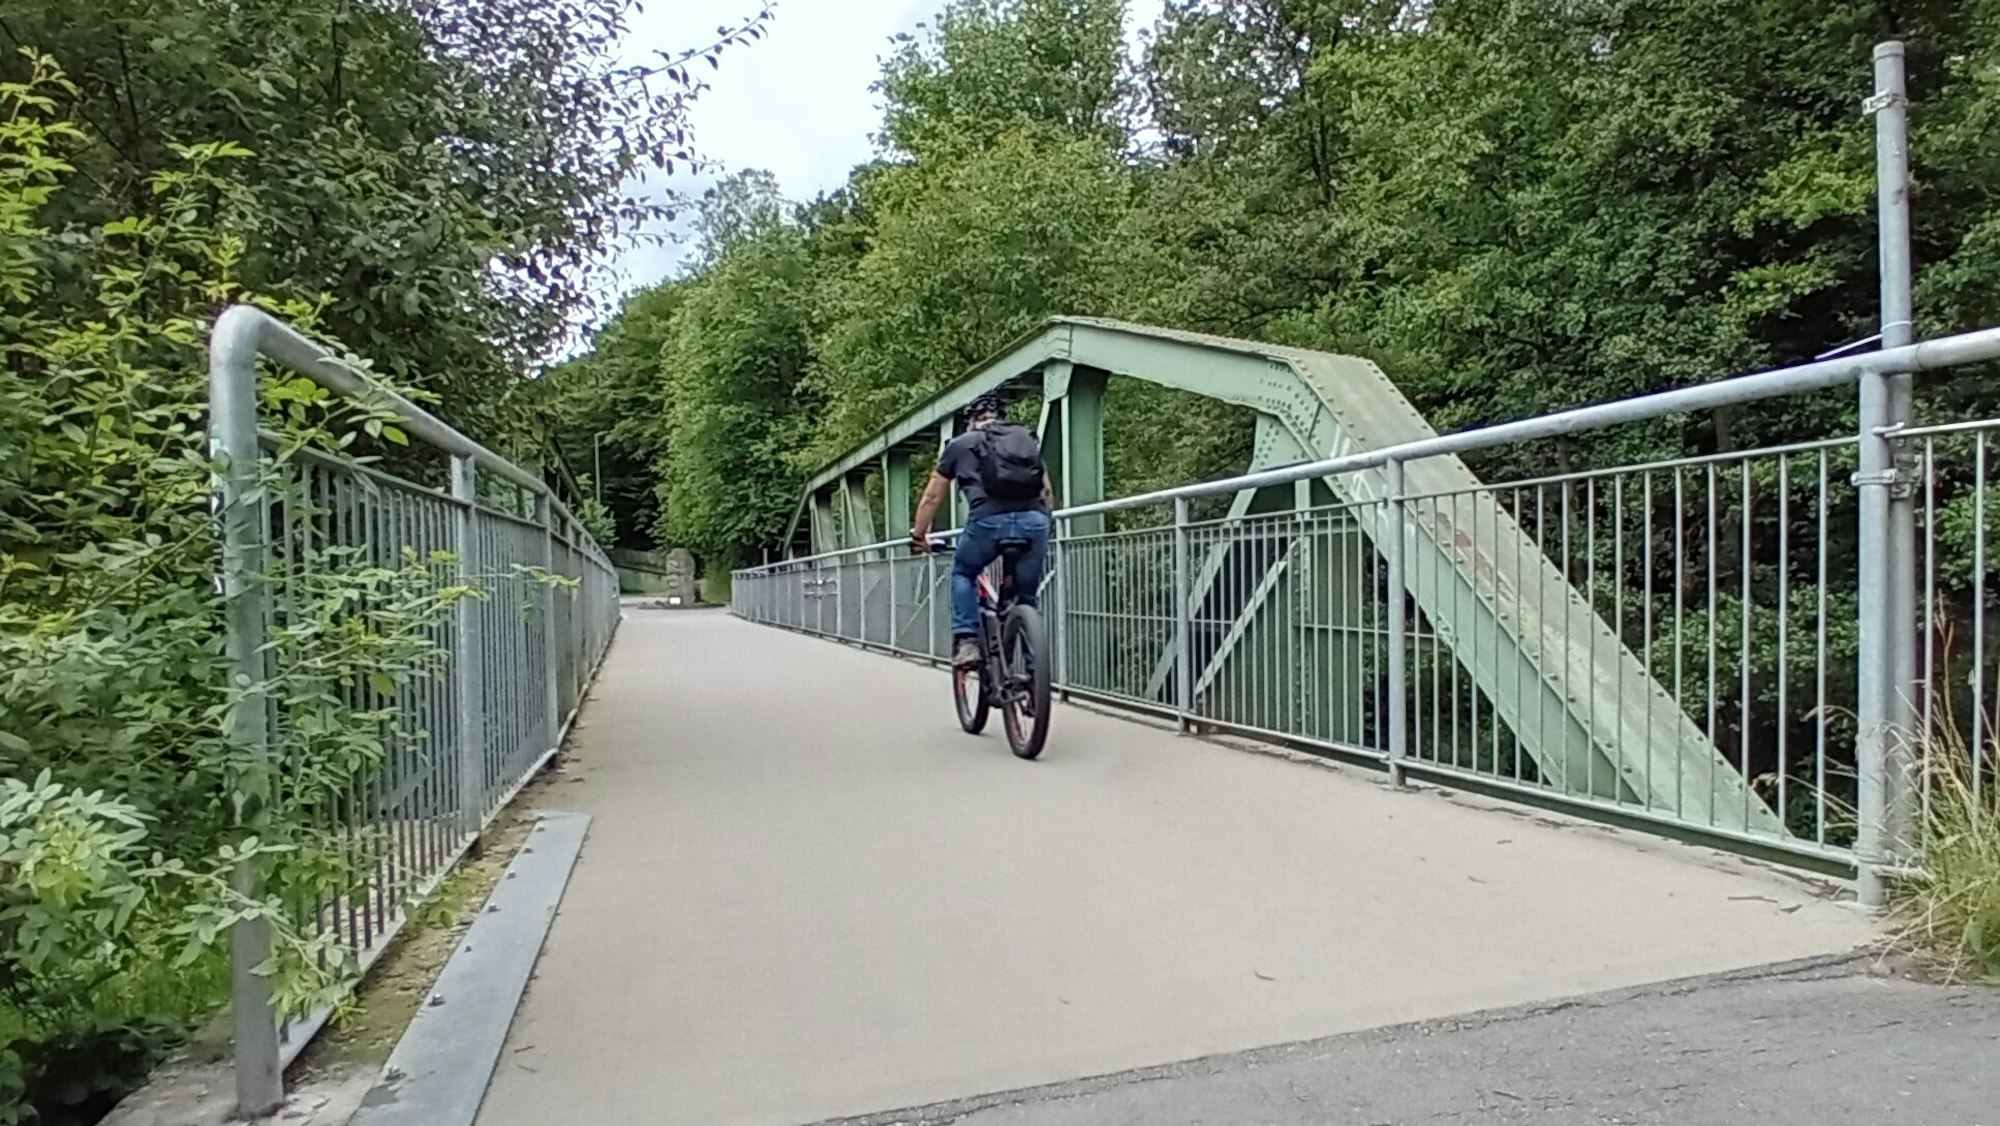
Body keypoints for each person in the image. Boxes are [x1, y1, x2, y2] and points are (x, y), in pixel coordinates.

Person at [910, 392, 1054, 669]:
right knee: (1025, 598)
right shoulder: (1024, 440)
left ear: (971, 421)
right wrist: (1042, 525)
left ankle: (967, 641)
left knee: (963, 572)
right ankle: (1034, 674)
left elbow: (931, 498)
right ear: (999, 417)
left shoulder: (960, 445)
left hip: (987, 523)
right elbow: (1046, 491)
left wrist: (919, 536)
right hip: (1034, 522)